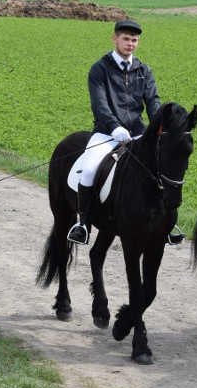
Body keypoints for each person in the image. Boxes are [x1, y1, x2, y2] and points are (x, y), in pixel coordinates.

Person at [67, 19, 183, 246]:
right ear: (115, 38)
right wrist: (114, 127)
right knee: (89, 169)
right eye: (126, 39)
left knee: (163, 168)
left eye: (135, 40)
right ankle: (83, 223)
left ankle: (168, 223)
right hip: (106, 133)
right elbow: (99, 104)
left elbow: (153, 104)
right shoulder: (100, 69)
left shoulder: (144, 70)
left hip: (139, 134)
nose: (130, 44)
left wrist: (160, 129)